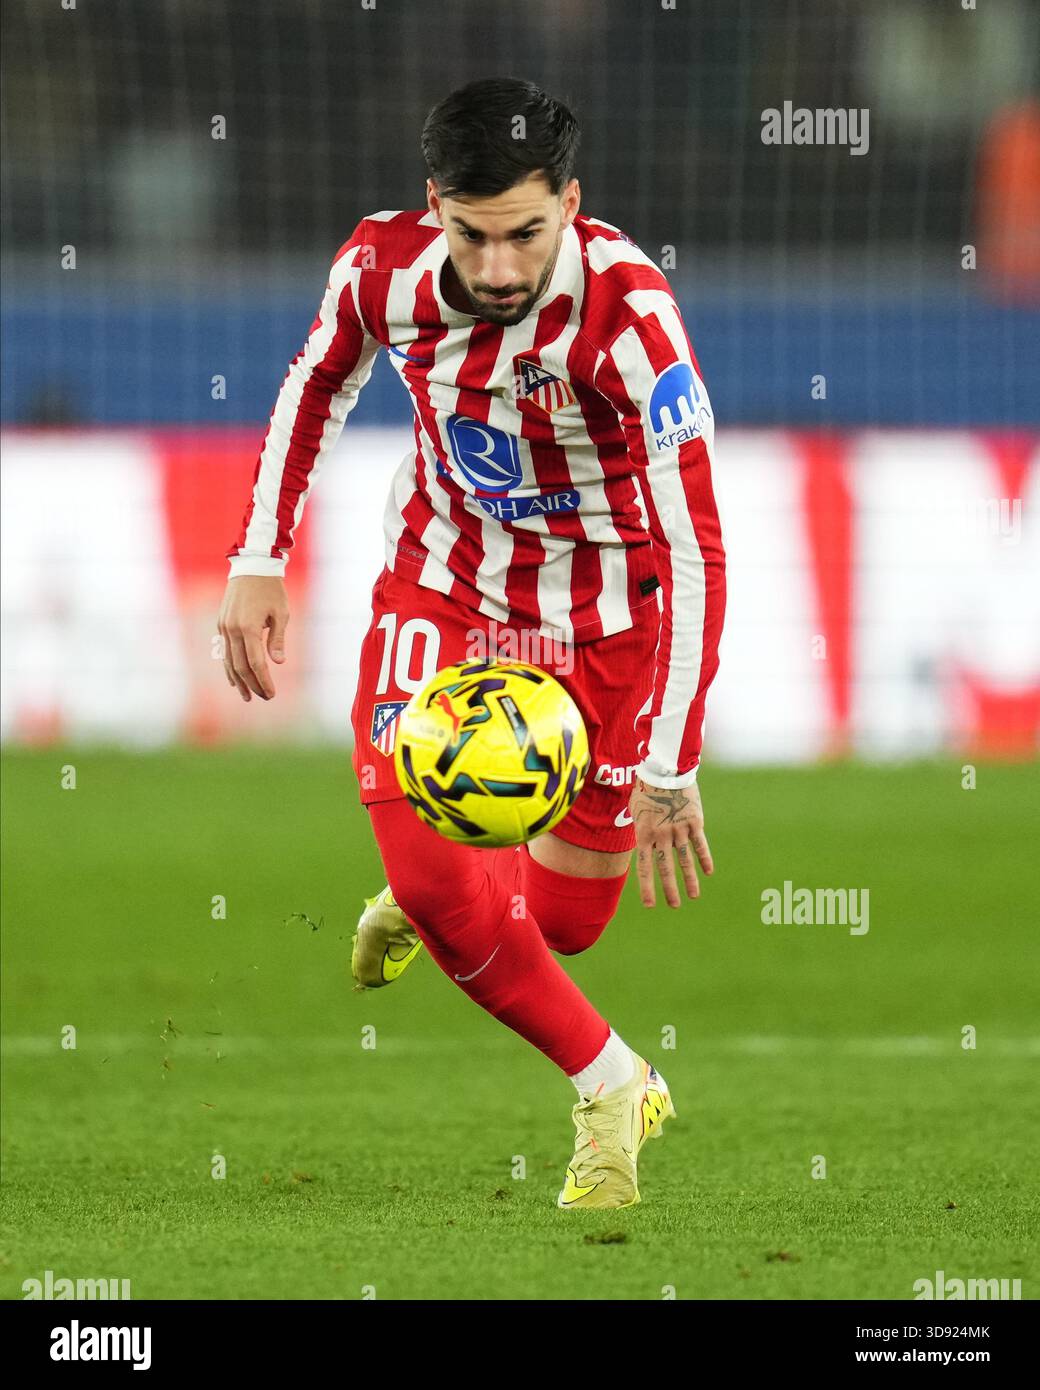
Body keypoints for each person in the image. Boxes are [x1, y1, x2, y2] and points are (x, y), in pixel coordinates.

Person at [218, 78, 726, 1210]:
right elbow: (315, 384)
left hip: (603, 625)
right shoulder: (377, 268)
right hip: (441, 593)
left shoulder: (631, 319)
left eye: (526, 235)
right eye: (471, 235)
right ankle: (612, 1082)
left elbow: (698, 546)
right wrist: (259, 555)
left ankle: (432, 889)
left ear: (572, 204)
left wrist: (669, 767)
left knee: (558, 924)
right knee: (454, 893)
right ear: (432, 203)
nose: (496, 268)